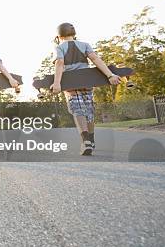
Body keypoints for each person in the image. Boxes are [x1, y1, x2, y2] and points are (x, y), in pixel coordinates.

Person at [51, 23, 121, 155]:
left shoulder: (59, 47)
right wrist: (110, 75)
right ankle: (91, 140)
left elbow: (59, 63)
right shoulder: (84, 45)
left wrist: (57, 83)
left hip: (70, 84)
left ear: (59, 36)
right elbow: (95, 59)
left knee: (78, 110)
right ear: (74, 33)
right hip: (87, 82)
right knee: (89, 111)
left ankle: (86, 141)